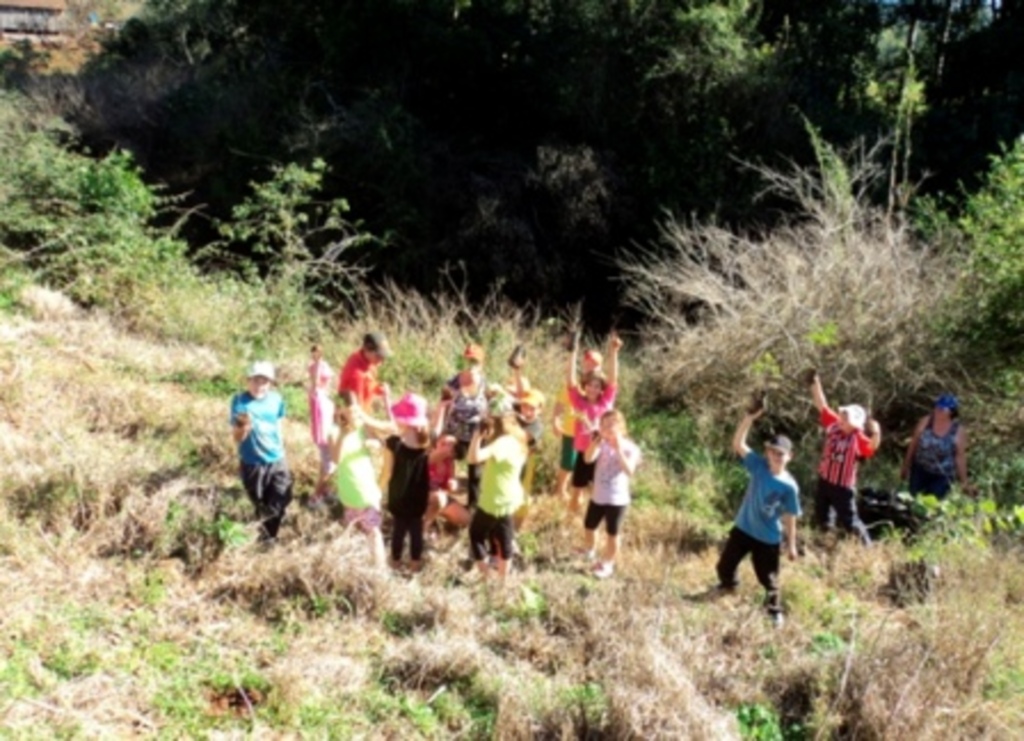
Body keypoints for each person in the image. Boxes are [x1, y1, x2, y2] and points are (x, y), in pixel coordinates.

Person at [715, 406, 801, 627]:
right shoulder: (758, 466)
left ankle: (774, 611)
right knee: (724, 566)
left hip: (767, 539)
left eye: (781, 454)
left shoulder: (789, 487)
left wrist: (791, 545)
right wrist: (749, 418)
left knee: (769, 579)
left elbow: (791, 515)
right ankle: (728, 586)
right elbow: (738, 444)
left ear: (789, 457)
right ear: (767, 453)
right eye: (773, 452)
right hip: (743, 528)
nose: (776, 456)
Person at [807, 370, 880, 546]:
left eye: (847, 417)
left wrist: (877, 432)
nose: (843, 418)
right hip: (825, 481)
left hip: (843, 488)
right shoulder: (834, 425)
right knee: (822, 515)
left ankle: (867, 547)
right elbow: (822, 405)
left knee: (850, 521)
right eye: (844, 415)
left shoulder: (857, 438)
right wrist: (815, 383)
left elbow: (871, 447)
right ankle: (825, 543)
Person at [230, 361, 293, 544]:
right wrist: (243, 428)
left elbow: (278, 424)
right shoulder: (239, 402)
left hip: (277, 458)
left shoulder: (276, 400)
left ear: (270, 383)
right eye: (255, 380)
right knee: (259, 501)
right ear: (247, 380)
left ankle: (270, 535)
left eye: (264, 381)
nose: (259, 385)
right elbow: (237, 437)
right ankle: (266, 536)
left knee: (282, 496)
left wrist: (282, 447)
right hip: (253, 461)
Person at [324, 400, 393, 567]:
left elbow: (390, 431)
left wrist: (375, 442)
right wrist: (343, 434)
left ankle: (380, 571)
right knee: (353, 529)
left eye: (356, 412)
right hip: (348, 489)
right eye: (349, 411)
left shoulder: (364, 427)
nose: (353, 415)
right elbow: (336, 459)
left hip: (366, 488)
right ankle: (356, 566)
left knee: (374, 532)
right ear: (339, 411)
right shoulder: (333, 432)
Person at [467, 402, 529, 582]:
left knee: (476, 535)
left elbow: (473, 458)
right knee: (504, 538)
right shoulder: (518, 439)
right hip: (509, 497)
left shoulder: (503, 443)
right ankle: (503, 582)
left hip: (494, 499)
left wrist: (477, 436)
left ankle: (486, 575)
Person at [580, 410, 641, 579]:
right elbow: (588, 459)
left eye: (610, 424)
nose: (606, 428)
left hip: (617, 499)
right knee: (589, 525)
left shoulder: (631, 448)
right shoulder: (601, 443)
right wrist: (595, 443)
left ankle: (608, 563)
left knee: (612, 534)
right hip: (598, 495)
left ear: (621, 426)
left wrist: (619, 449)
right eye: (603, 424)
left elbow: (629, 471)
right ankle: (589, 550)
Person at [566, 334, 622, 513]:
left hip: (602, 454)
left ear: (601, 389)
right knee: (577, 490)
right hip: (583, 453)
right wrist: (572, 352)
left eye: (597, 386)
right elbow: (570, 382)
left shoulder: (606, 402)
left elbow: (613, 380)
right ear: (585, 386)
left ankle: (591, 519)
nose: (593, 388)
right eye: (590, 385)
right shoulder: (578, 401)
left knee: (597, 492)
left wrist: (614, 352)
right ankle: (572, 517)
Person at [381, 392, 431, 572]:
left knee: (399, 529)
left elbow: (387, 472)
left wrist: (378, 489)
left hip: (399, 494)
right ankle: (415, 564)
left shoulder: (394, 443)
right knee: (416, 529)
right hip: (419, 495)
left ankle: (395, 562)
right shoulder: (426, 443)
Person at [437, 343, 490, 509]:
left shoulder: (485, 383)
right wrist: (441, 432)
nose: (471, 365)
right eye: (468, 360)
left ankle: (472, 507)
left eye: (475, 361)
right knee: (444, 467)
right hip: (454, 432)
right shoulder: (453, 382)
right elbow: (443, 405)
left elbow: (489, 407)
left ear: (481, 364)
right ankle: (439, 503)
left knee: (475, 470)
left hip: (475, 433)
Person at [551, 346, 603, 501]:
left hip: (592, 433)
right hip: (571, 430)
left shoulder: (601, 386)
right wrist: (555, 420)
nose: (591, 366)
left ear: (600, 366)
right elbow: (560, 403)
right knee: (569, 462)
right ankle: (560, 491)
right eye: (588, 363)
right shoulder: (575, 384)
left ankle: (581, 492)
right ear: (583, 364)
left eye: (594, 364)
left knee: (589, 463)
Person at [901, 393, 973, 499]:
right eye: (937, 407)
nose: (938, 411)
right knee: (914, 498)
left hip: (942, 475)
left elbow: (960, 457)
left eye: (942, 409)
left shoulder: (958, 431)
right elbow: (914, 443)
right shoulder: (926, 422)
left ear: (951, 412)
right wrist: (906, 465)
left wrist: (964, 482)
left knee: (932, 502)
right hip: (920, 469)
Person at [307, 344, 337, 509]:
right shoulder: (316, 393)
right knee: (328, 466)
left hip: (329, 435)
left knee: (328, 465)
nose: (328, 381)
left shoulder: (326, 395)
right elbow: (315, 381)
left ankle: (325, 491)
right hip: (323, 437)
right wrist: (317, 363)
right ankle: (316, 497)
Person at [338, 332, 391, 413]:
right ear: (367, 350)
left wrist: (379, 388)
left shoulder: (368, 361)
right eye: (379, 356)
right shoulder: (356, 374)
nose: (381, 361)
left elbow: (368, 384)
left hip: (364, 408)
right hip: (352, 414)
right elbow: (358, 410)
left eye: (383, 357)